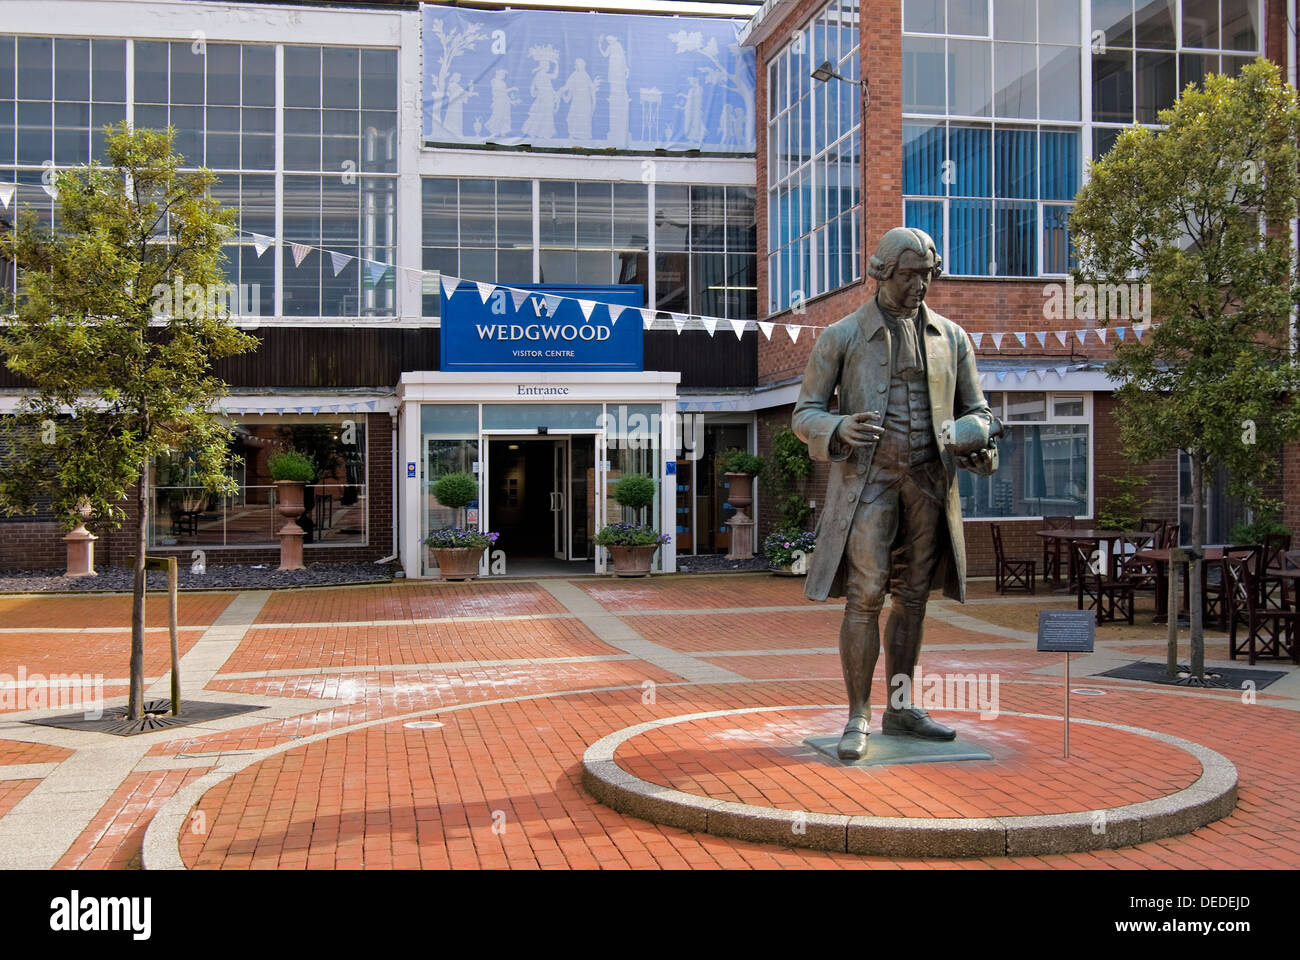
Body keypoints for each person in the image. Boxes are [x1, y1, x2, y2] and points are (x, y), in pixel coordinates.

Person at [792, 226, 1000, 761]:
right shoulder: (840, 336)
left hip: (930, 482)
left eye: (927, 275)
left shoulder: (952, 337)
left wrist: (977, 441)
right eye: (909, 275)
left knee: (912, 598)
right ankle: (858, 713)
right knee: (865, 596)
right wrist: (836, 427)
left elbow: (977, 410)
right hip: (869, 483)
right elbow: (804, 413)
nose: (919, 286)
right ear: (881, 272)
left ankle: (902, 708)